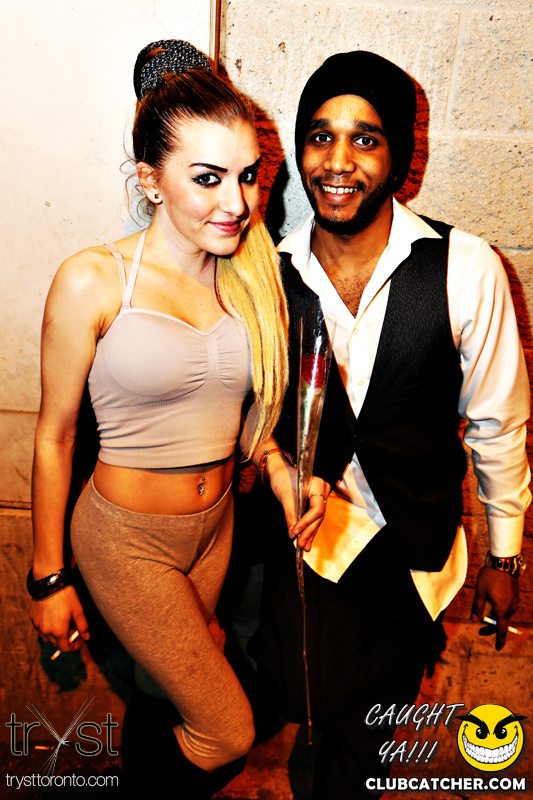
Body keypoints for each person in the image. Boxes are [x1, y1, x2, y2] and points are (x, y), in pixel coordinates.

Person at [27, 40, 327, 798]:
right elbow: (54, 436)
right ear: (150, 181)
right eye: (207, 178)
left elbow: (241, 416)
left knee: (169, 693)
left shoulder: (247, 280)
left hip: (215, 531)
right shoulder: (95, 280)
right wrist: (47, 578)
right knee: (226, 730)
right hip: (124, 539)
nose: (237, 203)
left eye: (247, 176)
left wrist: (283, 470)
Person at [253, 51, 531, 799]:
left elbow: (498, 423)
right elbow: (242, 408)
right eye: (320, 135)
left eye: (365, 139)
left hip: (415, 553)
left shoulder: (466, 267)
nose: (338, 161)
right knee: (301, 699)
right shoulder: (267, 271)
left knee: (364, 745)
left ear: (401, 155)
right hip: (310, 547)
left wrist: (504, 558)